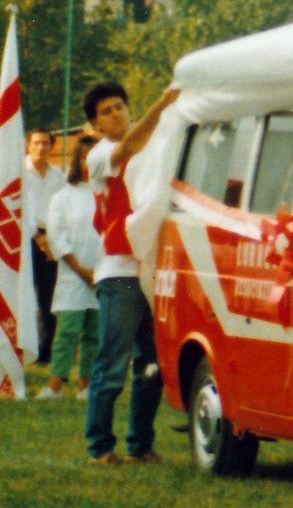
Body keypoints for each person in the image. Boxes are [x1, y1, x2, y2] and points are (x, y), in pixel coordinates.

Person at [84, 81, 180, 466]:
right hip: (119, 268)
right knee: (113, 362)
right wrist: (161, 105)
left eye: (120, 106)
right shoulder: (98, 154)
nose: (117, 114)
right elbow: (127, 149)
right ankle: (100, 447)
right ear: (94, 125)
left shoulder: (150, 145)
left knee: (152, 362)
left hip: (151, 264)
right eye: (106, 111)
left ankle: (139, 444)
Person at [45, 136, 103, 400]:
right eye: (85, 158)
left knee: (94, 334)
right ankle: (55, 386)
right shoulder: (63, 196)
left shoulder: (108, 195)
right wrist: (81, 270)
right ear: (78, 161)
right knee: (67, 332)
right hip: (73, 276)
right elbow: (58, 238)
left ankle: (87, 386)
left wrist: (99, 271)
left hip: (102, 274)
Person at [23, 127, 66, 366]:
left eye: (45, 144)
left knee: (48, 297)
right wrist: (36, 236)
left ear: (52, 147)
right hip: (26, 239)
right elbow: (22, 209)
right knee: (25, 295)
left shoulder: (58, 176)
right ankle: (22, 347)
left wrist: (50, 239)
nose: (41, 148)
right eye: (36, 143)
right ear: (29, 146)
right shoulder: (19, 173)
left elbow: (60, 209)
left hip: (50, 240)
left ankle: (45, 349)